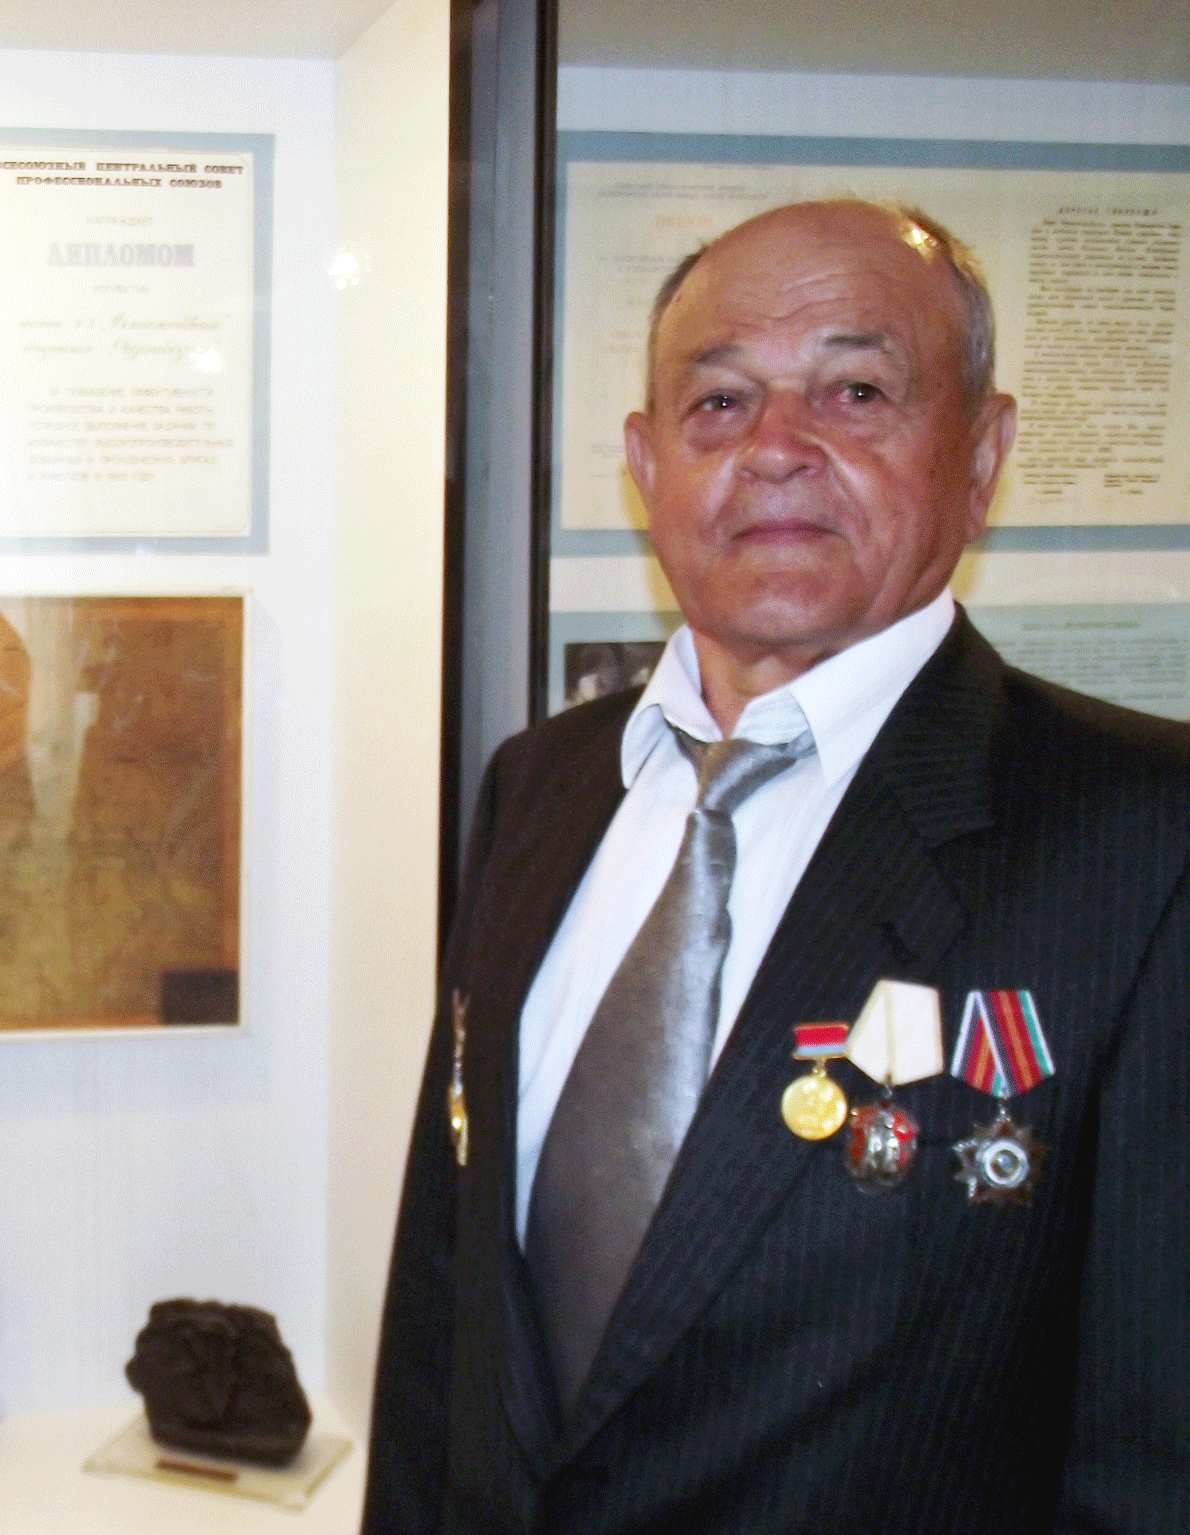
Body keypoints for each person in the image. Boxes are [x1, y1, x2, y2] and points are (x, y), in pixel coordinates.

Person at [364, 199, 1190, 1533]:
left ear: (982, 454)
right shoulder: (538, 790)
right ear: (646, 466)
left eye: (855, 391)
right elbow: (442, 1328)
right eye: (719, 403)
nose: (775, 449)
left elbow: (1155, 1456)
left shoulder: (1143, 842)